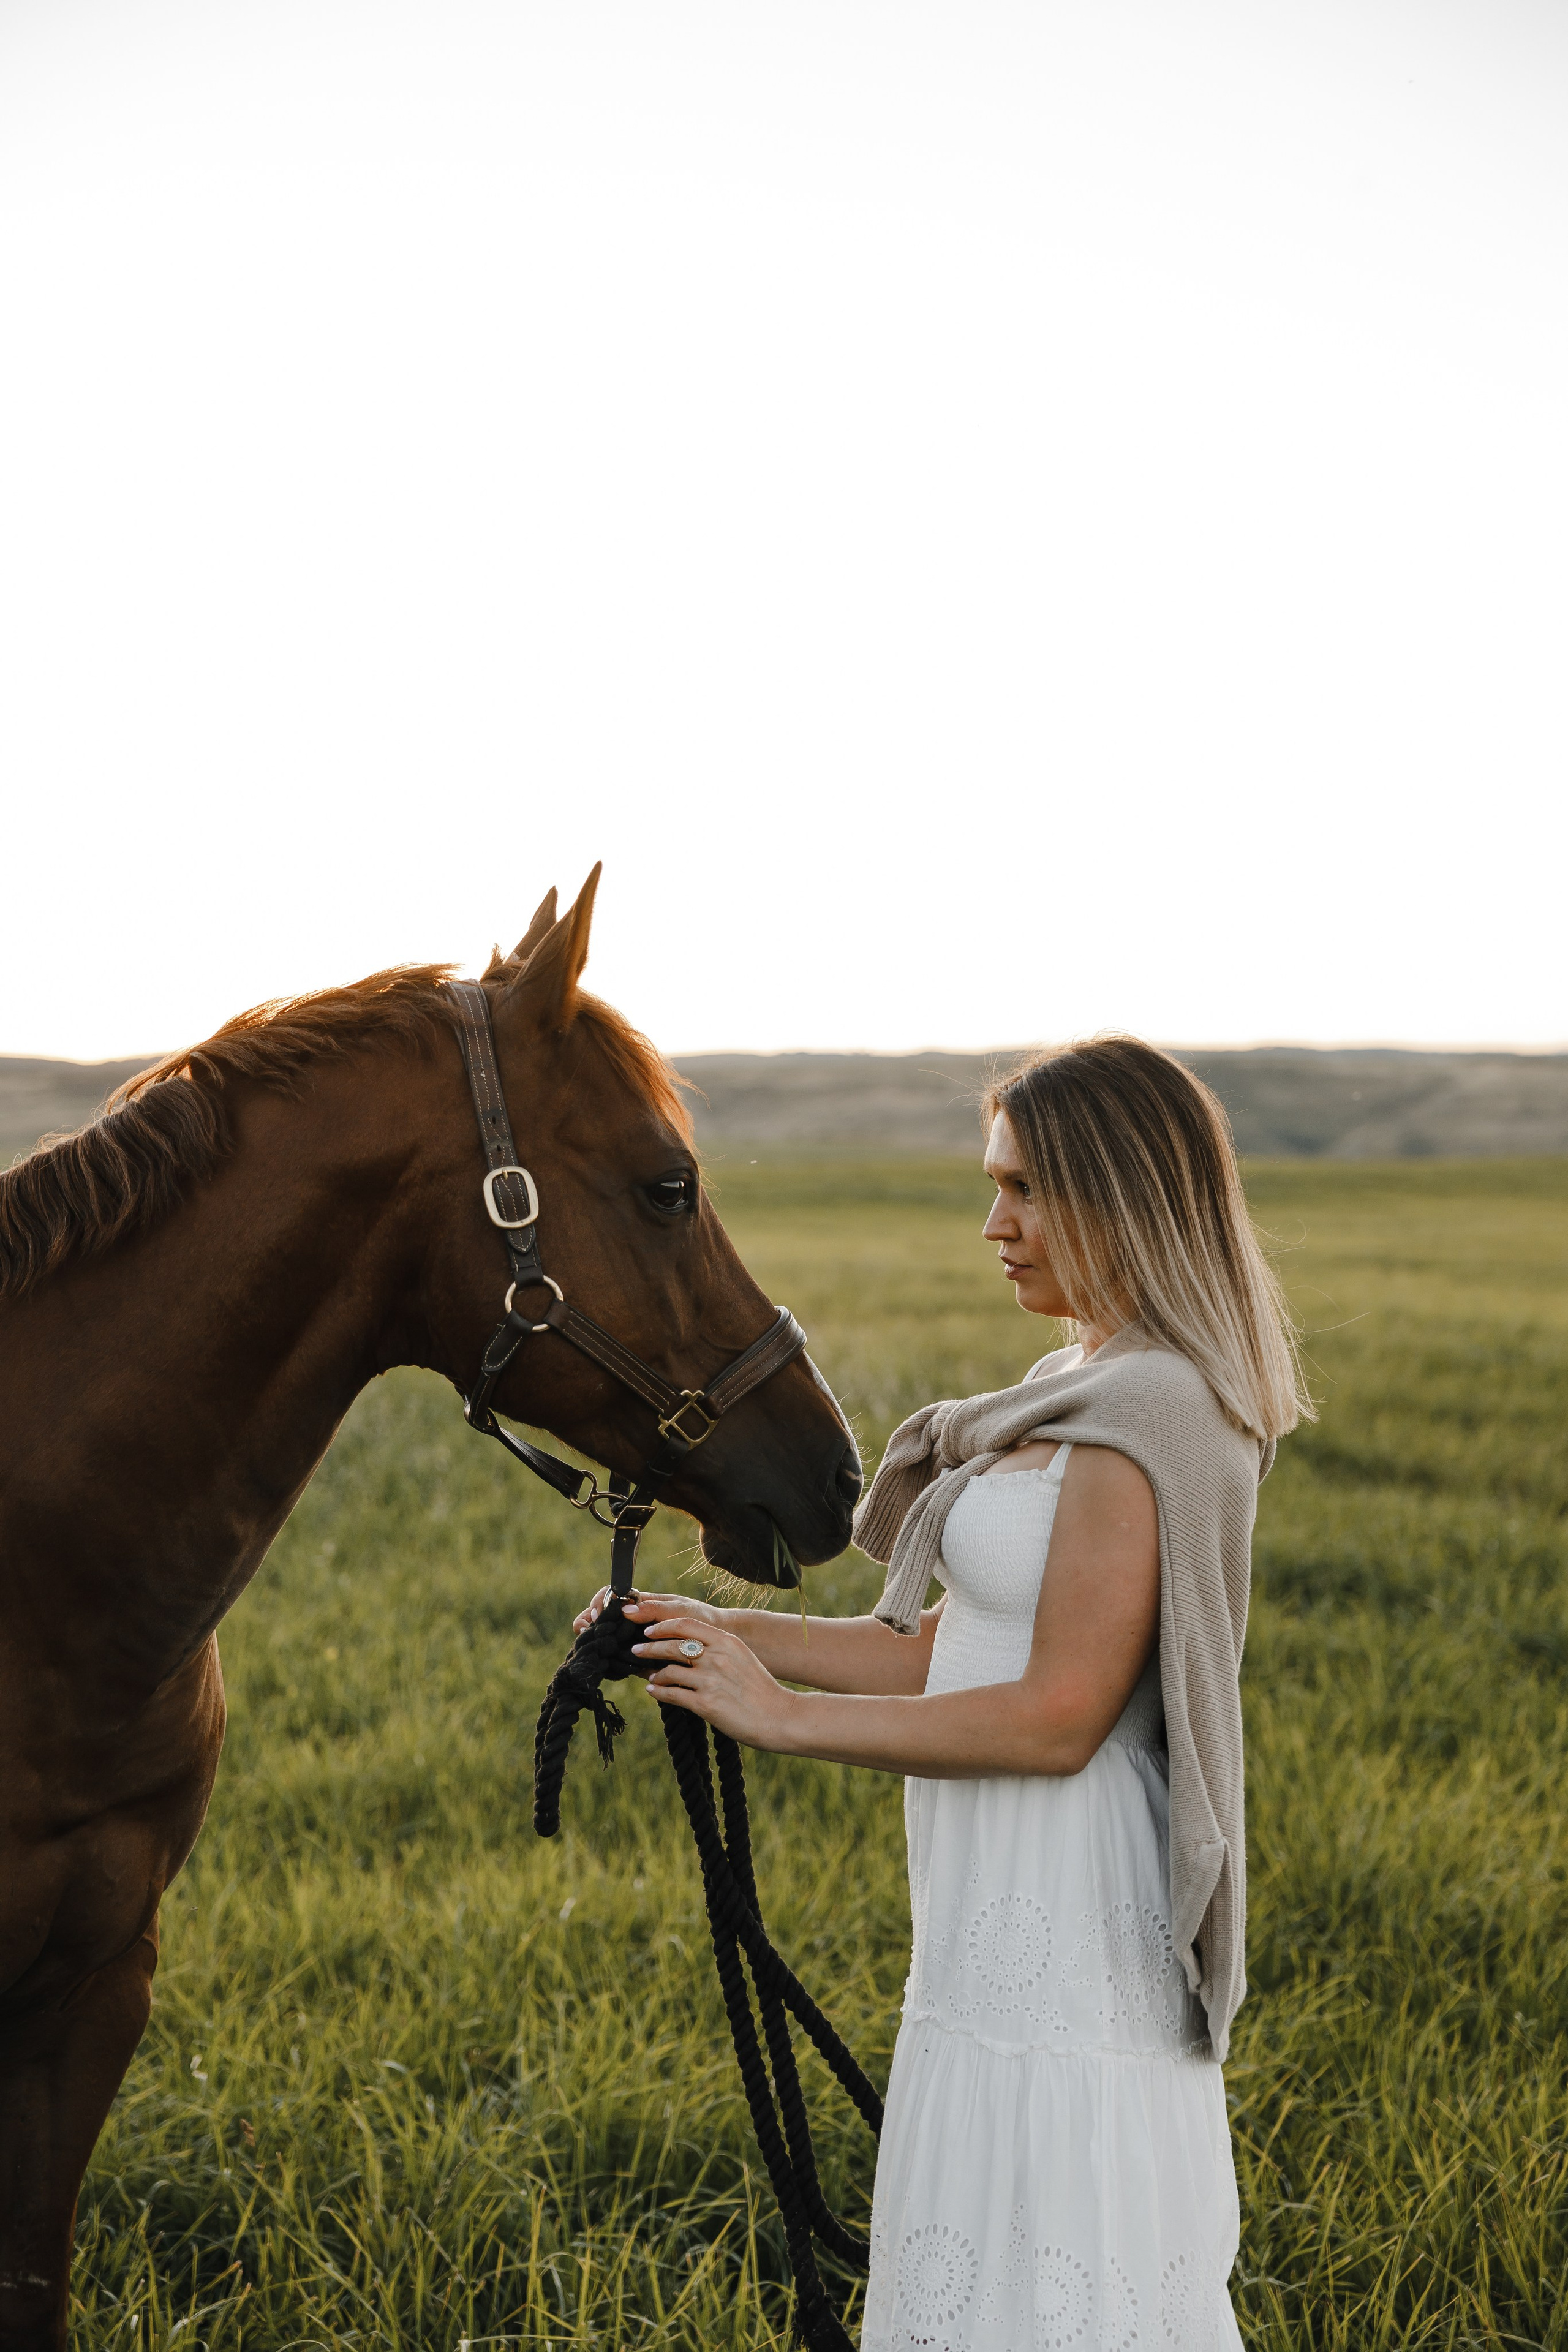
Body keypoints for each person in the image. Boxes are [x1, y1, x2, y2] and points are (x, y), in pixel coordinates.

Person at [575, 1036, 1308, 2350]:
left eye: (1024, 1189)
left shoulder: (1155, 1410)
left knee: (1062, 2238)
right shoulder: (1069, 1386)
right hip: (989, 1890)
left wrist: (779, 1716)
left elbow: (1058, 1714)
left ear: (1119, 1192)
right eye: (992, 1187)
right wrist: (716, 1634)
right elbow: (956, 1651)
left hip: (1071, 1890)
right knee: (989, 2233)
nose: (994, 1226)